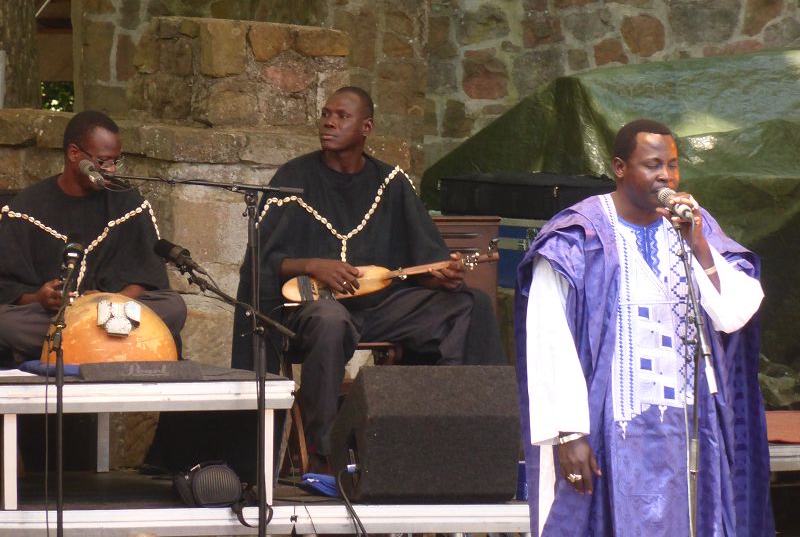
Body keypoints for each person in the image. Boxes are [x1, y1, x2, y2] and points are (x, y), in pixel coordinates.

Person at [514, 119, 773, 536]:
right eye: (653, 165)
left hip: (690, 428)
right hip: (607, 427)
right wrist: (568, 433)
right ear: (619, 167)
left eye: (672, 165)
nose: (666, 176)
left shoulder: (695, 226)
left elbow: (734, 314)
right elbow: (549, 336)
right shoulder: (577, 236)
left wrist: (699, 247)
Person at [232, 86, 504, 469]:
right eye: (326, 114)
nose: (329, 122)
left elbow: (423, 260)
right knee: (330, 319)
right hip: (311, 311)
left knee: (466, 306)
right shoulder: (293, 179)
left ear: (367, 127)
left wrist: (439, 276)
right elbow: (261, 262)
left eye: (342, 116)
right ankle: (324, 455)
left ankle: (456, 434)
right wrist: (313, 265)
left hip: (381, 308)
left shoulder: (390, 182)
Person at [0, 110, 187, 363]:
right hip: (55, 318)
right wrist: (39, 298)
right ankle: (108, 345)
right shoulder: (26, 207)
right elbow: (7, 285)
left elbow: (147, 277)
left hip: (115, 314)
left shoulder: (128, 202)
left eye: (115, 161)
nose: (111, 170)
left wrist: (106, 301)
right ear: (74, 154)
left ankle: (78, 344)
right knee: (6, 322)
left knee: (173, 306)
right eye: (103, 162)